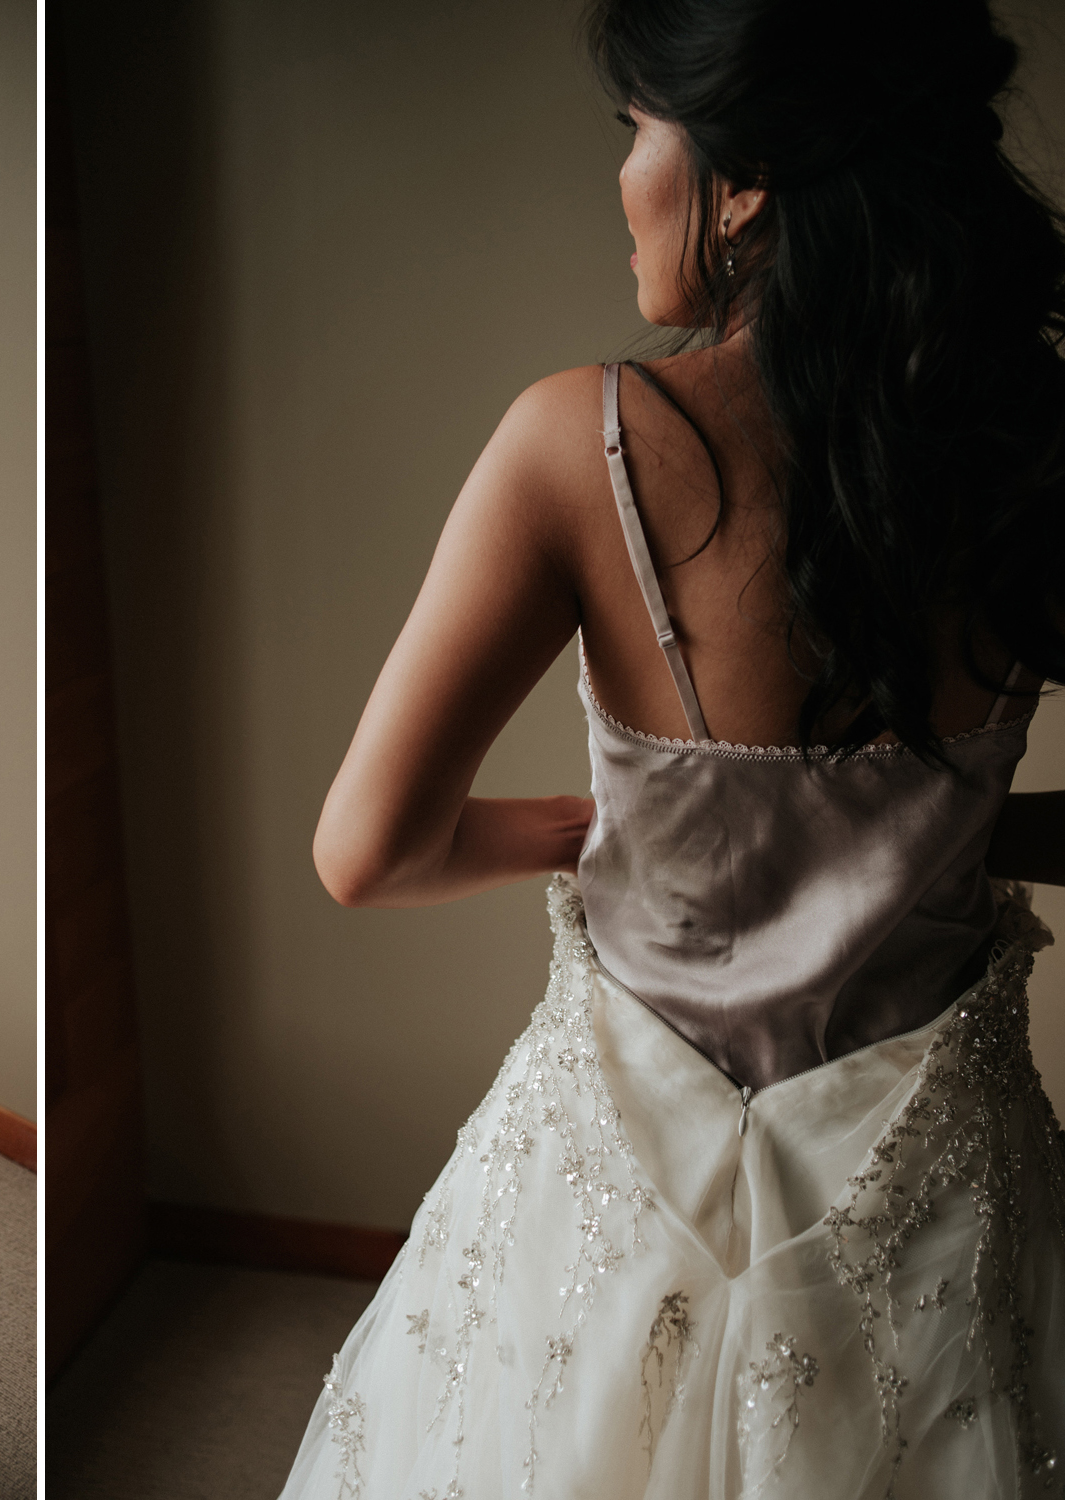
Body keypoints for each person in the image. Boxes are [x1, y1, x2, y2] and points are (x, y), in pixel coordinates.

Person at [278, 2, 1065, 1495]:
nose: (623, 172)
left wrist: (598, 826)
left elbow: (365, 850)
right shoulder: (1035, 447)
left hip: (621, 1166)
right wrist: (945, 825)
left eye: (637, 126)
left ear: (746, 173)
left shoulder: (583, 444)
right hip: (936, 1196)